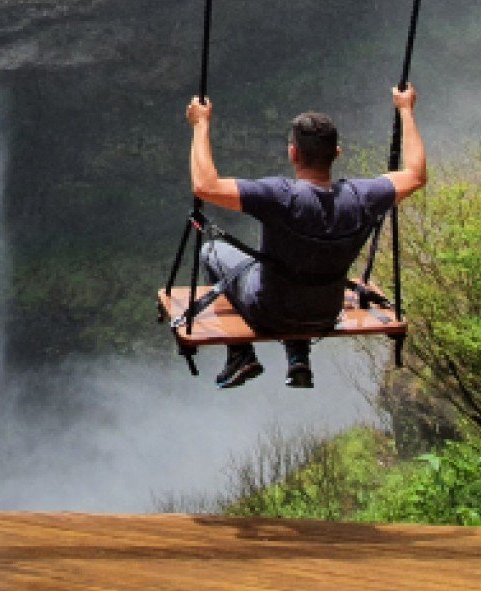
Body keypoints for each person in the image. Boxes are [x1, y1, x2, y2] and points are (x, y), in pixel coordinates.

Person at [184, 85, 429, 390]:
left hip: (268, 313)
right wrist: (406, 108)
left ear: (293, 153)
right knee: (298, 273)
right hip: (326, 314)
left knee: (212, 251)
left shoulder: (280, 196)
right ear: (337, 154)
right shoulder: (362, 197)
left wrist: (200, 124)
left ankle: (240, 355)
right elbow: (417, 175)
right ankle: (298, 356)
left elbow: (205, 186)